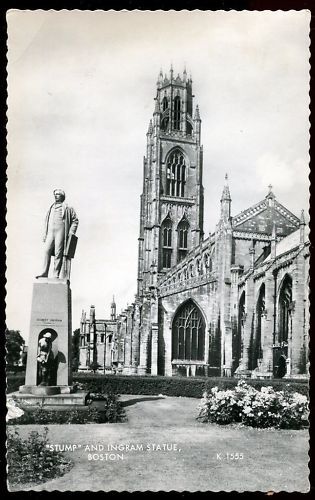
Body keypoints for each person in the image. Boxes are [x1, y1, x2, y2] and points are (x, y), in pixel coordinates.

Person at [36, 189, 79, 279]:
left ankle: (56, 274)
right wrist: (45, 233)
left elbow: (75, 220)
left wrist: (71, 232)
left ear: (62, 196)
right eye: (55, 194)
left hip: (61, 231)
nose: (56, 196)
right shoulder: (51, 207)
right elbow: (46, 222)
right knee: (46, 250)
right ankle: (44, 272)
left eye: (58, 194)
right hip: (51, 232)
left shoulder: (68, 207)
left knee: (58, 253)